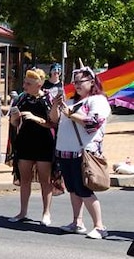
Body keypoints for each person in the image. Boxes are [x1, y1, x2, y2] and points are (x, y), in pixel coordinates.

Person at [50, 66, 111, 239]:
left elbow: (93, 123)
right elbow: (54, 120)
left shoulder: (97, 100)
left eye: (81, 81)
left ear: (92, 82)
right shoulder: (70, 102)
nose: (76, 85)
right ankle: (77, 222)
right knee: (73, 189)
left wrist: (70, 114)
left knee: (84, 189)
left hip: (83, 152)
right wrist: (56, 105)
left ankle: (99, 226)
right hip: (66, 152)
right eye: (75, 81)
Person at [7, 68, 56, 225]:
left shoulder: (48, 98)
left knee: (45, 180)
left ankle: (46, 213)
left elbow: (53, 123)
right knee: (25, 179)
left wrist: (35, 118)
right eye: (25, 82)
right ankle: (22, 212)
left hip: (44, 142)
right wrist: (15, 118)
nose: (25, 86)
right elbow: (14, 124)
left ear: (39, 84)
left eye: (29, 83)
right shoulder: (22, 99)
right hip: (25, 142)